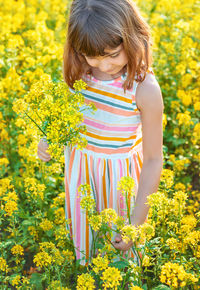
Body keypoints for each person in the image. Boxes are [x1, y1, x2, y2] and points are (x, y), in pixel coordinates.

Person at [37, 0, 164, 265]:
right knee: (89, 253)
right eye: (92, 55)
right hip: (82, 175)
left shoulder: (144, 89)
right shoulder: (81, 72)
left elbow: (153, 160)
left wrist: (135, 224)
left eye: (113, 54)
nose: (103, 66)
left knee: (119, 261)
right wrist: (47, 137)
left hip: (120, 183)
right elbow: (63, 113)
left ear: (133, 38)